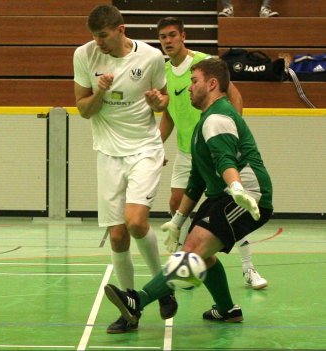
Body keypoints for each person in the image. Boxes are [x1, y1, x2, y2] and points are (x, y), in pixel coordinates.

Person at [104, 57, 273, 326]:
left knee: (193, 249)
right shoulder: (202, 123)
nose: (190, 87)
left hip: (249, 195)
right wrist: (177, 221)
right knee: (202, 258)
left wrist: (237, 187)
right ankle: (228, 310)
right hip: (223, 195)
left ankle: (137, 300)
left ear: (213, 84)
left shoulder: (217, 118)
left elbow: (225, 160)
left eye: (194, 82)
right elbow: (197, 179)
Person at [73, 4, 177, 334]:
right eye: (94, 37)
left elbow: (163, 101)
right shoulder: (84, 56)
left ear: (121, 29)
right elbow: (84, 111)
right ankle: (130, 305)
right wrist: (100, 91)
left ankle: (162, 286)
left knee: (135, 221)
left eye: (103, 37)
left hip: (144, 149)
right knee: (117, 235)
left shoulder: (149, 58)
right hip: (108, 154)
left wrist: (159, 104)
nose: (98, 43)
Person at [157, 17, 268, 290]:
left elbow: (235, 96)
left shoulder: (205, 64)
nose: (168, 41)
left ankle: (248, 267)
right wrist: (155, 147)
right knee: (176, 202)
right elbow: (169, 115)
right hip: (187, 150)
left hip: (214, 150)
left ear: (183, 36)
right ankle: (193, 264)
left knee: (228, 206)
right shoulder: (163, 72)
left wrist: (232, 136)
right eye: (162, 37)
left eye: (172, 35)